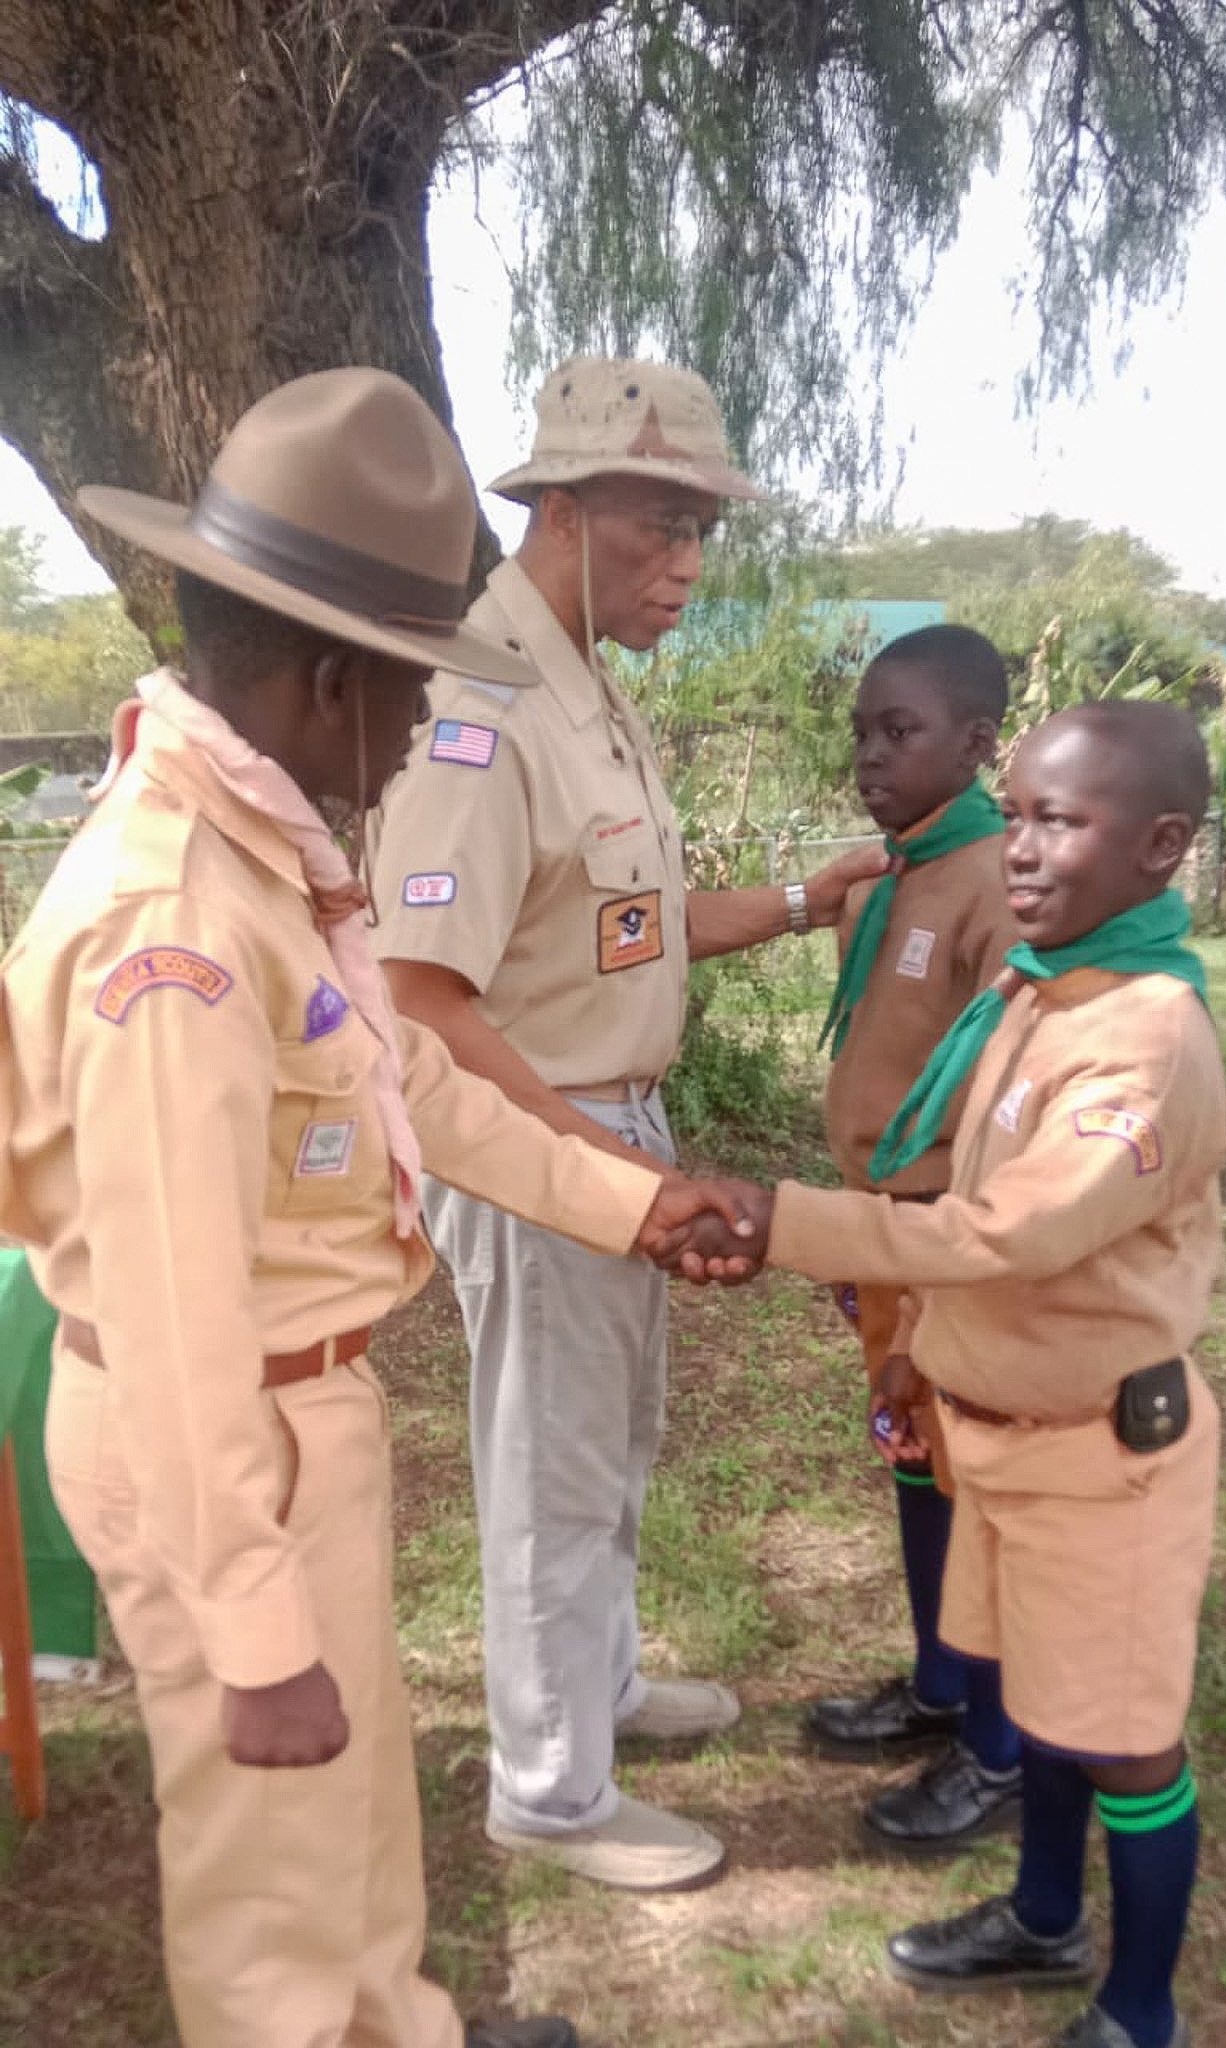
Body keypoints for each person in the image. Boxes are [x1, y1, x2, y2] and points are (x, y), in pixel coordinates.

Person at [0, 367, 751, 2048]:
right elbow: (174, 1316)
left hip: (295, 1415)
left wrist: (629, 1202)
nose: (423, 726)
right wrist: (251, 1626)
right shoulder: (174, 927)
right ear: (333, 676)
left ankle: (397, 2021)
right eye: (413, 684)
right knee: (269, 1881)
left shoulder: (261, 852)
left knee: (351, 1805)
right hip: (223, 1444)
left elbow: (416, 1076)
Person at [368, 356, 884, 1892]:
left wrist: (803, 901)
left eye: (701, 527)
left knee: (611, 1444)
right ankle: (549, 1790)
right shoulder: (478, 709)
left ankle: (597, 1693)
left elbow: (630, 927)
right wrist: (605, 1173)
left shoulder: (582, 690)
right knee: (554, 1470)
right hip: (542, 1143)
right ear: (564, 511)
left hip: (612, 1124)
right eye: (663, 523)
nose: (691, 562)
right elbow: (421, 998)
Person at [674, 700, 1226, 2048]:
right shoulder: (1040, 988)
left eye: (1062, 821)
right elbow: (961, 1174)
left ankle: (1140, 2011)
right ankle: (1044, 1917)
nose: (1022, 848)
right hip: (1005, 1426)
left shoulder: (1144, 1036)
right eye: (1019, 813)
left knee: (1124, 1736)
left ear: (1161, 845)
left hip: (1100, 1456)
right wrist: (918, 1351)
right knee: (1044, 1699)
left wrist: (782, 1220)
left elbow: (1008, 1229)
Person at [805, 623, 1026, 1854]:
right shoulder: (882, 877)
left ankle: (998, 1744)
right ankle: (941, 1682)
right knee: (912, 1447)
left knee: (972, 1477)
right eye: (861, 733)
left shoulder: (998, 880)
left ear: (978, 741)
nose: (871, 756)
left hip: (946, 1232)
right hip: (880, 1227)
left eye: (901, 732)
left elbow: (1001, 1094)